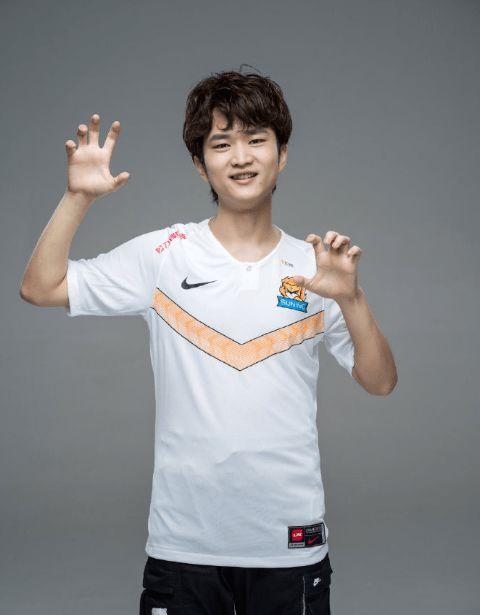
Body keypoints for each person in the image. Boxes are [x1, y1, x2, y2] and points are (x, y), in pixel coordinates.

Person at [20, 68, 397, 615]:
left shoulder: (317, 268)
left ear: (282, 154)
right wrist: (77, 198)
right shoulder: (163, 255)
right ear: (201, 164)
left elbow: (380, 382)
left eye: (256, 140)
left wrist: (352, 300)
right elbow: (40, 287)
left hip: (290, 544)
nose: (240, 157)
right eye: (221, 144)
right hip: (183, 547)